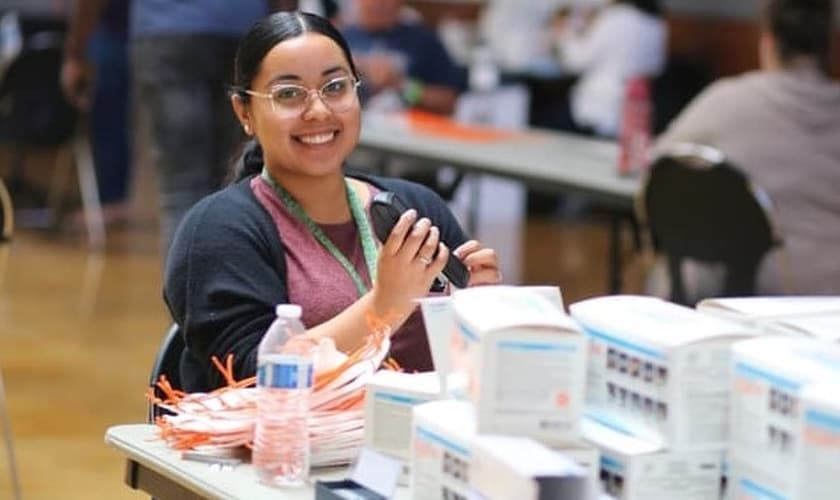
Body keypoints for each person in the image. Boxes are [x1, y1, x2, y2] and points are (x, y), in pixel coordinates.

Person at [164, 11, 501, 392]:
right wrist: (384, 306)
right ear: (245, 112)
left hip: (421, 428)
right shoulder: (217, 231)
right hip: (293, 432)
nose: (319, 111)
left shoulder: (416, 209)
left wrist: (479, 314)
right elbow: (250, 381)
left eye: (336, 87)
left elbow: (469, 372)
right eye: (288, 94)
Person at [61, 0, 298, 249]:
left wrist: (76, 50)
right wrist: (284, 40)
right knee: (229, 180)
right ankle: (224, 271)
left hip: (166, 32)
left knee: (181, 189)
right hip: (242, 32)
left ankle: (188, 274)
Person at [651, 0, 840, 297]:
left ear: (768, 42)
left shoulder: (725, 102)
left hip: (738, 296)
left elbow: (660, 165)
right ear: (828, 45)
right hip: (827, 305)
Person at [62, 0, 132, 227]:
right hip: (136, 34)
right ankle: (113, 201)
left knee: (109, 124)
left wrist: (74, 53)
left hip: (113, 35)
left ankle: (111, 202)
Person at [552, 0, 667, 137]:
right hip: (637, 102)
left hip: (601, 103)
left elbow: (576, 62)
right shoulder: (656, 23)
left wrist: (565, 35)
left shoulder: (613, 19)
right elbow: (656, 67)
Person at [341, 0, 461, 115]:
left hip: (407, 124)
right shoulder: (341, 39)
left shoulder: (423, 41)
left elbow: (449, 101)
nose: (380, 4)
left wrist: (401, 85)